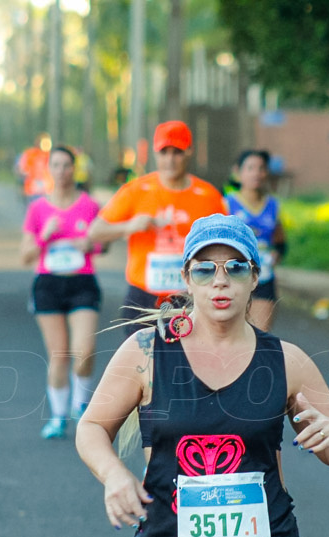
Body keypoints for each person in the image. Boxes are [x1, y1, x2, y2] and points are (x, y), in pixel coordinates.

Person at [76, 214, 329, 537]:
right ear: (186, 278)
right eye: (205, 269)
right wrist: (113, 475)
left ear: (255, 278)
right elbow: (91, 429)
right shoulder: (146, 352)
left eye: (235, 267)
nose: (220, 281)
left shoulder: (286, 360)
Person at [88, 121, 225, 337]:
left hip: (191, 296)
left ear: (189, 151)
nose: (170, 159)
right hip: (144, 294)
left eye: (177, 152)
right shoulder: (136, 190)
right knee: (144, 364)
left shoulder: (208, 196)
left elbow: (226, 245)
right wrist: (130, 226)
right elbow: (95, 231)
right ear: (155, 153)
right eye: (164, 152)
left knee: (186, 366)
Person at [21, 146, 103, 439]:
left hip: (82, 283)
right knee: (59, 354)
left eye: (67, 165)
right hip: (48, 284)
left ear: (74, 169)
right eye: (56, 165)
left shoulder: (90, 206)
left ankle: (80, 405)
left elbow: (104, 243)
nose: (62, 170)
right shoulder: (38, 209)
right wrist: (45, 235)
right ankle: (58, 416)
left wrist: (91, 245)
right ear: (49, 170)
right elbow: (25, 255)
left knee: (84, 350)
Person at [224, 150, 287, 331]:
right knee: (232, 335)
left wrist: (277, 254)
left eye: (261, 168)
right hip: (233, 278)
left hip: (263, 278)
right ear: (238, 172)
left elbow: (281, 242)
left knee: (259, 336)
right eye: (250, 168)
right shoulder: (226, 204)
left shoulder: (273, 205)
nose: (256, 173)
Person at [17, 133, 53, 205]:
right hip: (33, 190)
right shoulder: (30, 154)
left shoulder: (52, 155)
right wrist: (26, 173)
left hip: (48, 190)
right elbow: (21, 169)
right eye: (44, 142)